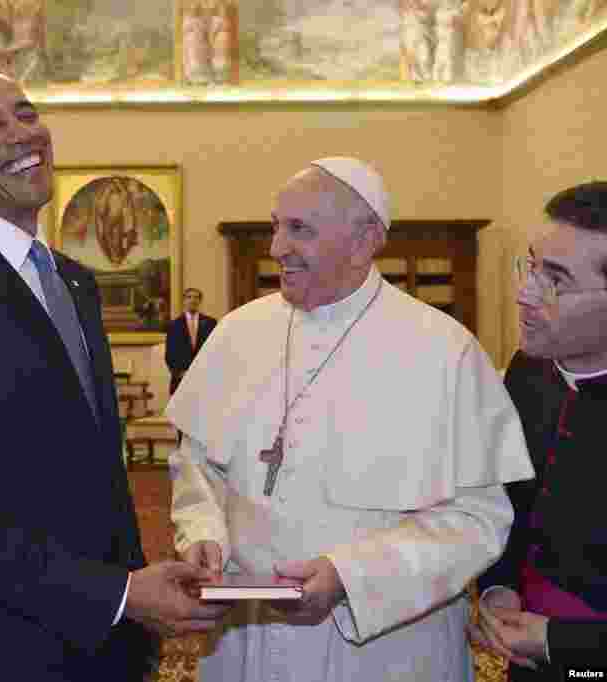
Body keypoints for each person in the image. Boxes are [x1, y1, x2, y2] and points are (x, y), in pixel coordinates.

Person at [0, 65, 228, 682]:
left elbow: (95, 472)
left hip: (112, 644)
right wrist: (117, 595)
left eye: (26, 114)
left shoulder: (75, 280)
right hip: (8, 647)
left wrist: (133, 596)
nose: (21, 133)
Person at [167, 157, 535, 681]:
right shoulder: (236, 334)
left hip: (383, 649)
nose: (276, 248)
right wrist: (203, 531)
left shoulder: (444, 351)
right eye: (276, 225)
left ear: (364, 240)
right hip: (249, 641)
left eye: (300, 230)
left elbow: (478, 519)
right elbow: (197, 466)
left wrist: (352, 576)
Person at [472, 182, 607, 678]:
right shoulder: (529, 371)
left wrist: (559, 641)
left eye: (556, 279)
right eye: (531, 266)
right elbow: (510, 497)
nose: (525, 293)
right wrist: (498, 586)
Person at [165, 287, 217, 395]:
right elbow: (170, 353)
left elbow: (215, 349)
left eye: (196, 297)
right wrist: (179, 372)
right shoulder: (174, 325)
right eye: (189, 297)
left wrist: (208, 371)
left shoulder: (211, 323)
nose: (193, 300)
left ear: (200, 301)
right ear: (184, 301)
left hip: (205, 377)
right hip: (181, 378)